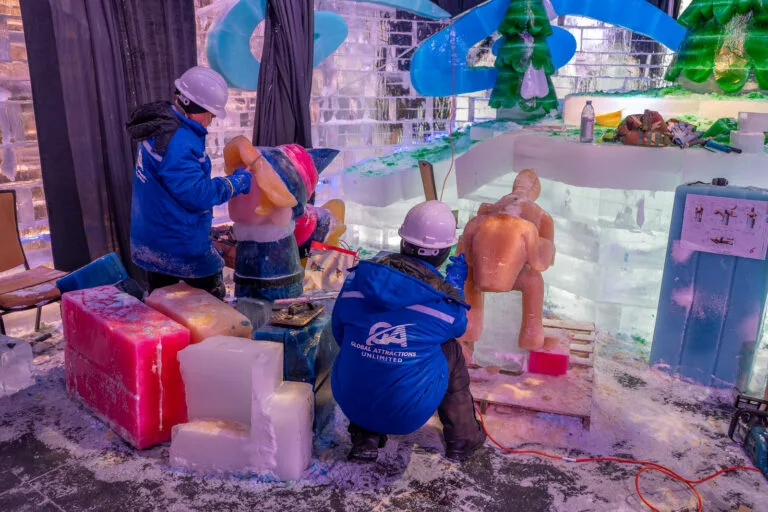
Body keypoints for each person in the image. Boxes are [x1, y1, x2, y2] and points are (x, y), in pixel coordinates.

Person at [331, 200, 486, 462]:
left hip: (351, 402)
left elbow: (339, 334)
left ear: (403, 240)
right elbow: (460, 327)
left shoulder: (358, 281)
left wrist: (378, 347)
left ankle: (364, 436)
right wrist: (454, 288)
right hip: (405, 415)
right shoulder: (440, 305)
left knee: (360, 347)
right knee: (449, 349)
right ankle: (463, 439)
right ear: (444, 252)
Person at [127, 66, 252, 299]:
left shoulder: (160, 124)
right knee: (210, 305)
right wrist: (235, 183)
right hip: (176, 245)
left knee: (163, 306)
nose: (211, 121)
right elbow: (198, 196)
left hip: (152, 237)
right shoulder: (179, 142)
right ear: (194, 108)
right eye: (210, 114)